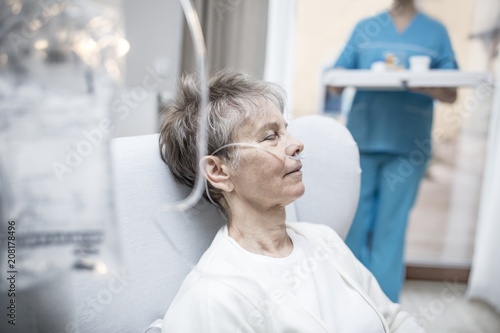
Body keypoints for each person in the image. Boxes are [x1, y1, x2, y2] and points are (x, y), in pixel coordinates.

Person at [158, 70, 425, 332]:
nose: (297, 144)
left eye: (286, 131)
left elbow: (395, 320)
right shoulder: (213, 298)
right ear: (219, 172)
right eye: (270, 136)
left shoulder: (324, 241)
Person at [327, 0, 458, 302]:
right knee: (354, 225)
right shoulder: (365, 28)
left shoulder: (435, 32)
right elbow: (334, 83)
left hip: (407, 147)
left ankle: (384, 309)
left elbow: (450, 92)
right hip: (363, 141)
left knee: (391, 229)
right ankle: (350, 300)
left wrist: (419, 83)